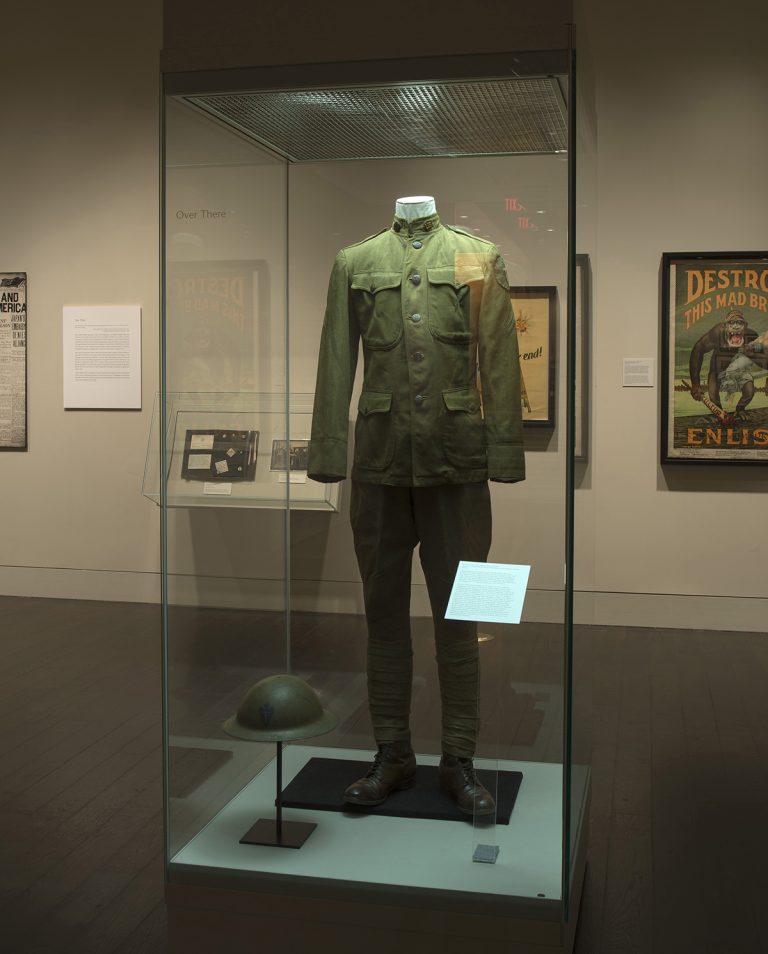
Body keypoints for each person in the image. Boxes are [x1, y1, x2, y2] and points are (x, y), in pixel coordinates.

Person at [308, 196, 524, 815]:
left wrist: (504, 451)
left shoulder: (478, 256)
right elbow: (334, 361)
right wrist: (328, 452)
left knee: (464, 620)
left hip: (457, 466)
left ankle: (459, 759)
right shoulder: (355, 261)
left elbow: (500, 359)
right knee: (383, 616)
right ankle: (393, 754)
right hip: (378, 468)